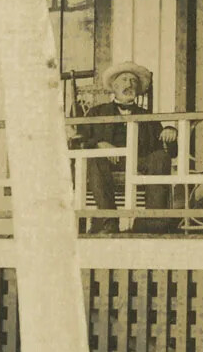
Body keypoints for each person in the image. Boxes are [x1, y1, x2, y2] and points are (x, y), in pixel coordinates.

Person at [75, 62, 178, 233]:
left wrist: (170, 132)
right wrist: (99, 144)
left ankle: (151, 220)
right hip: (107, 163)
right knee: (94, 158)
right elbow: (80, 139)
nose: (129, 84)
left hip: (139, 161)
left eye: (133, 81)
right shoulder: (96, 112)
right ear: (114, 86)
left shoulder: (146, 116)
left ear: (138, 89)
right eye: (124, 80)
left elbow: (170, 152)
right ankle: (109, 221)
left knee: (160, 157)